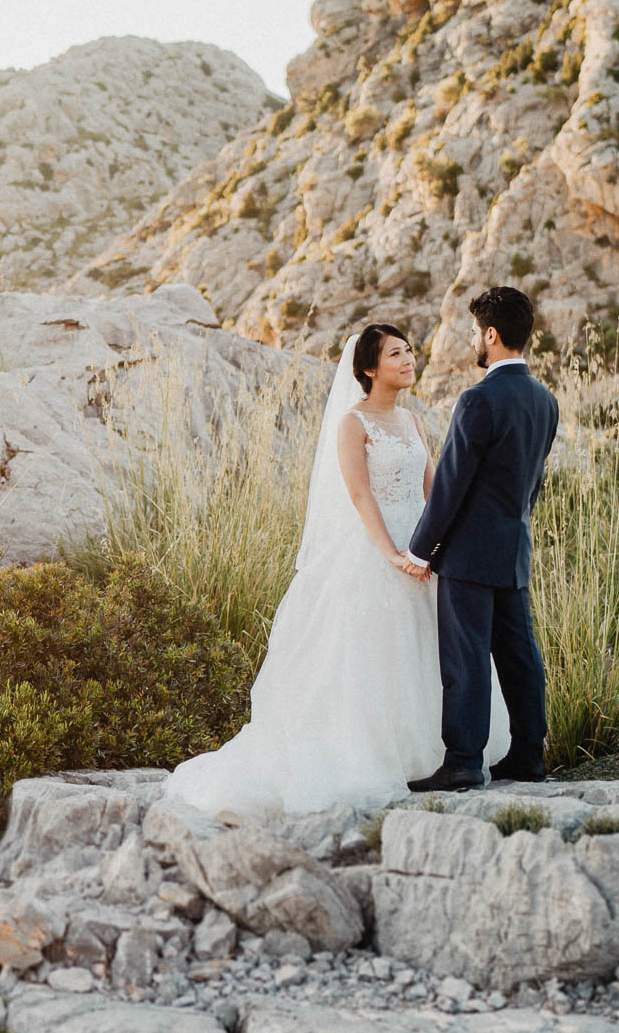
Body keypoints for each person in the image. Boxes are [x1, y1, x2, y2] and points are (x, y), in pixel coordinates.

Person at [163, 322, 511, 816]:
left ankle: (436, 756)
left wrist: (436, 547)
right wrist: (391, 552)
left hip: (422, 553)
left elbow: (435, 487)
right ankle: (368, 756)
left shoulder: (411, 422)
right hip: (375, 549)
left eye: (409, 351)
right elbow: (359, 493)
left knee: (433, 650)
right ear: (369, 369)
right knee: (368, 653)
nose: (409, 359)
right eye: (396, 354)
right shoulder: (353, 423)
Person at [405, 286, 561, 794]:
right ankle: (529, 756)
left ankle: (465, 761)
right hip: (513, 549)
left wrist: (419, 549)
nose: (472, 339)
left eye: (474, 332)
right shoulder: (545, 401)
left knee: (466, 657)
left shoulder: (477, 400)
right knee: (521, 656)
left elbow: (451, 486)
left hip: (469, 554)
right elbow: (532, 484)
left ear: (491, 336)